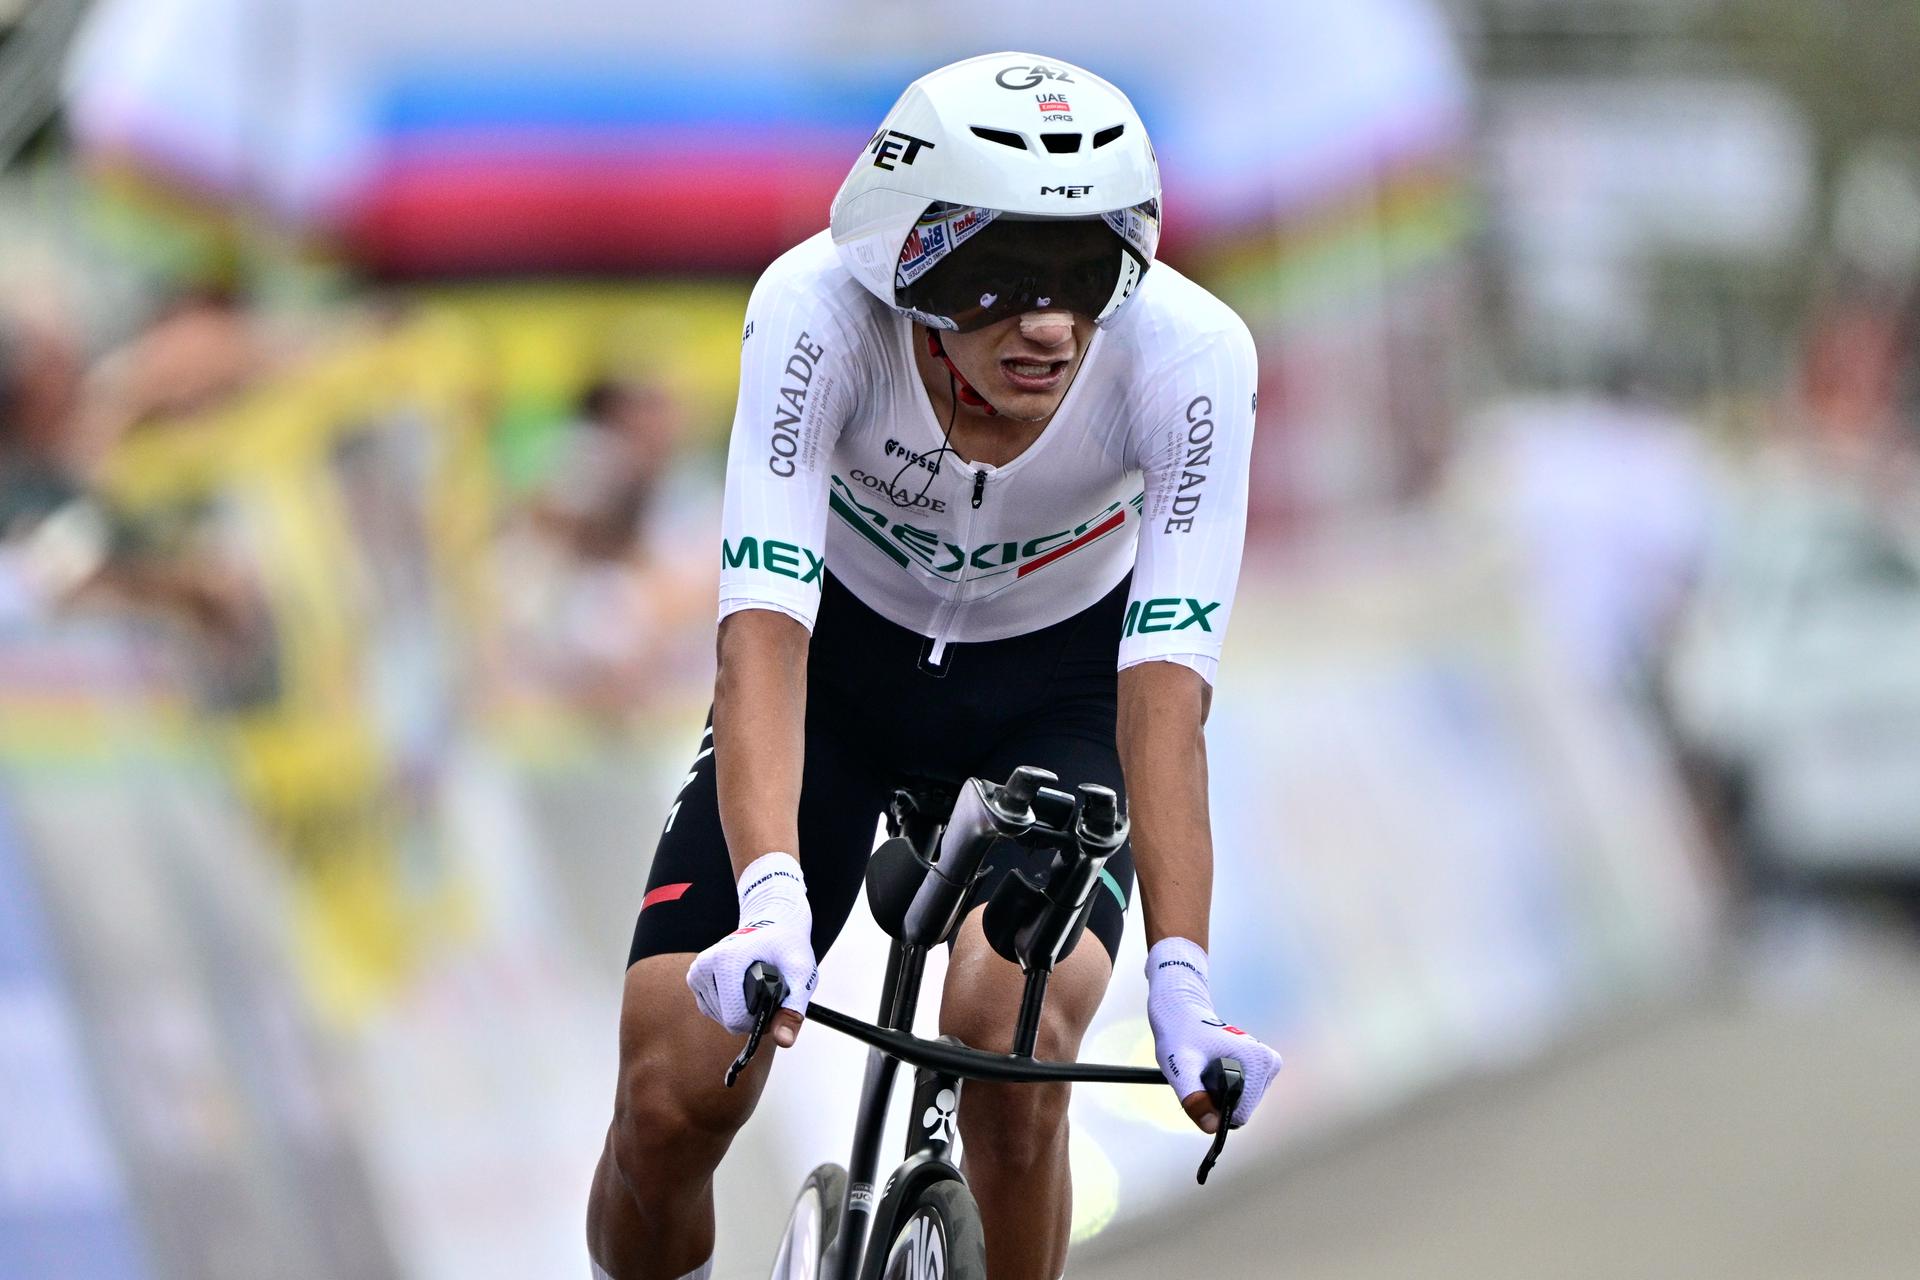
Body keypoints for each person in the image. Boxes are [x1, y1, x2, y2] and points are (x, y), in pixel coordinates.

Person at [587, 52, 1282, 1280]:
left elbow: (1165, 701)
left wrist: (1182, 974)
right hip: (839, 674)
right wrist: (766, 902)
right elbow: (761, 633)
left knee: (1008, 1045)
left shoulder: (1190, 358)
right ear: (907, 261)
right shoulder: (814, 312)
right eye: (1005, 280)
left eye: (1086, 273)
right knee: (668, 1093)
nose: (1053, 324)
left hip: (1058, 693)